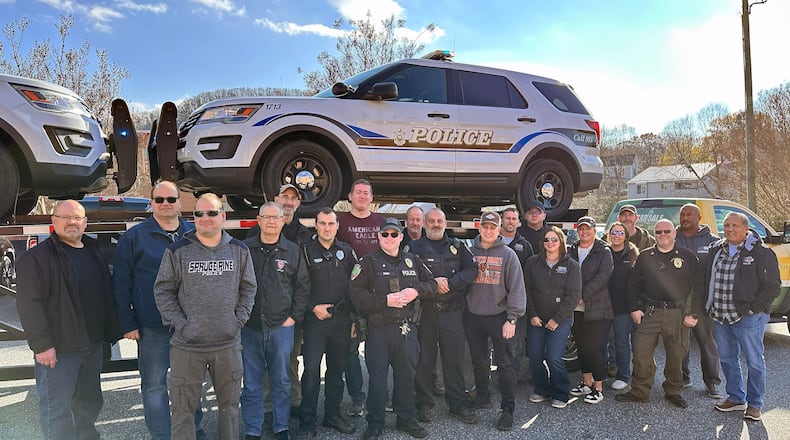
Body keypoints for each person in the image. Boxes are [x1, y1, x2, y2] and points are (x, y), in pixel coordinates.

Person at [154, 193, 256, 440]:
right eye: (199, 214)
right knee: (182, 410)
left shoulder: (239, 250)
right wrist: (181, 324)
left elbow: (249, 288)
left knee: (230, 408)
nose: (205, 218)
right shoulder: (177, 251)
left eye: (211, 213)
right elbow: (163, 290)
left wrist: (238, 321)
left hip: (227, 345)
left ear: (223, 216)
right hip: (187, 347)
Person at [16, 200, 119, 440]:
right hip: (59, 349)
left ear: (85, 223)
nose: (72, 222)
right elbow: (29, 305)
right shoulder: (37, 258)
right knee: (57, 410)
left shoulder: (93, 251)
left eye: (77, 218)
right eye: (65, 217)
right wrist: (42, 345)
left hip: (92, 345)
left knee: (90, 403)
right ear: (54, 222)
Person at [113, 181, 205, 440]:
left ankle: (193, 429)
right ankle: (161, 434)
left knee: (190, 383)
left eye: (171, 199)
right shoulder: (134, 237)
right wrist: (127, 323)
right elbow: (121, 282)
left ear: (179, 203)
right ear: (151, 203)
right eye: (160, 199)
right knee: (155, 386)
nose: (166, 204)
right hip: (152, 325)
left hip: (189, 326)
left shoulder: (194, 234)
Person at [350, 217, 437, 440]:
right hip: (379, 330)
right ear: (379, 236)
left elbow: (432, 285)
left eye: (394, 234)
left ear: (401, 236)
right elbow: (356, 295)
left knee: (406, 376)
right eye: (385, 234)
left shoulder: (413, 260)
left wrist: (417, 291)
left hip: (407, 329)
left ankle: (405, 419)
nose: (390, 238)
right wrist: (384, 301)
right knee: (378, 378)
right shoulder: (367, 263)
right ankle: (375, 422)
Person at [241, 202, 310, 440]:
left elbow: (303, 287)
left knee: (281, 380)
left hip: (281, 327)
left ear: (283, 221)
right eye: (266, 217)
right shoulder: (244, 249)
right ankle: (252, 428)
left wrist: (294, 317)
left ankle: (281, 427)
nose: (271, 222)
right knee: (251, 382)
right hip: (249, 328)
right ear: (258, 220)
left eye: (276, 217)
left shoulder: (292, 251)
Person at [703, 212, 780, 421]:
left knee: (754, 361)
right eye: (726, 225)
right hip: (720, 315)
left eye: (735, 225)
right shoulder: (716, 249)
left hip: (748, 317)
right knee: (727, 359)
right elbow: (707, 278)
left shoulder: (761, 253)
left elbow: (772, 286)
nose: (729, 229)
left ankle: (755, 404)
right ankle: (736, 398)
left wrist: (754, 309)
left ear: (746, 229)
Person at [615, 219, 699, 409]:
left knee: (676, 354)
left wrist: (693, 313)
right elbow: (633, 284)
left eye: (666, 231)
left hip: (678, 313)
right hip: (651, 312)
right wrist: (634, 308)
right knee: (640, 352)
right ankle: (640, 391)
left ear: (674, 233)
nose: (662, 235)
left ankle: (673, 391)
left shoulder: (688, 257)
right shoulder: (645, 256)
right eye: (659, 232)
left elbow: (698, 287)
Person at [409, 208, 479, 425]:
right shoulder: (413, 248)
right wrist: (432, 285)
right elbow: (408, 277)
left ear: (445, 222)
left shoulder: (458, 246)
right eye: (431, 221)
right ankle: (424, 405)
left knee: (454, 361)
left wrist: (452, 282)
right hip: (426, 313)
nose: (436, 224)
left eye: (439, 221)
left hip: (452, 314)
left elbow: (473, 270)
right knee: (424, 361)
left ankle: (457, 405)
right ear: (425, 224)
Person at [298, 208, 358, 438]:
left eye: (331, 223)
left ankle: (332, 415)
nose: (326, 227)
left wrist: (354, 319)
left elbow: (355, 286)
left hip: (341, 321)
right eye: (322, 223)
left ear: (337, 226)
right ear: (316, 225)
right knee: (311, 371)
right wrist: (312, 307)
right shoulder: (305, 252)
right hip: (315, 322)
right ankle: (307, 422)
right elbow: (298, 287)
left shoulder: (346, 251)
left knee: (336, 371)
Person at [464, 211, 526, 431]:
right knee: (479, 360)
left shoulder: (508, 255)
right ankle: (482, 396)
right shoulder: (469, 252)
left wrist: (512, 318)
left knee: (505, 364)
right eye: (485, 226)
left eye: (493, 227)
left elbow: (517, 288)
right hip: (473, 316)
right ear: (478, 227)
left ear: (499, 229)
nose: (489, 230)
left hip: (499, 317)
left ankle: (507, 409)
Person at [336, 179, 386, 416]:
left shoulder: (382, 222)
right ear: (350, 196)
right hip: (352, 297)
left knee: (382, 352)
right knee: (350, 351)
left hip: (379, 298)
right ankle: (358, 397)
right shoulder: (341, 221)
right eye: (358, 192)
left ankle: (383, 397)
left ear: (372, 197)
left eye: (367, 193)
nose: (363, 196)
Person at [525, 226, 581, 410]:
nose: (550, 243)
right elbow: (527, 291)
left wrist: (557, 319)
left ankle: (560, 392)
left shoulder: (571, 265)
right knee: (534, 356)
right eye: (547, 240)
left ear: (561, 242)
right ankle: (542, 389)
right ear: (542, 243)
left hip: (560, 319)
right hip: (537, 319)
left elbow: (573, 296)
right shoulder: (533, 262)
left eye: (554, 239)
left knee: (554, 357)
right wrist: (532, 314)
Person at [675, 203, 722, 398]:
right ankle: (682, 378)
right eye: (682, 214)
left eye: (689, 214)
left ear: (699, 218)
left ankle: (712, 382)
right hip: (676, 301)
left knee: (707, 343)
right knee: (679, 342)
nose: (685, 217)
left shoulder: (713, 242)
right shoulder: (672, 237)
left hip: (702, 302)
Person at [567, 216, 614, 404]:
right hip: (576, 308)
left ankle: (598, 387)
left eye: (588, 229)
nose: (584, 232)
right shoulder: (571, 250)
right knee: (582, 346)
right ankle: (586, 383)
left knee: (595, 347)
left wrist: (582, 294)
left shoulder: (604, 251)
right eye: (581, 229)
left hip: (597, 306)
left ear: (595, 231)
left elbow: (604, 277)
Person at [500, 207, 534, 382]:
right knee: (498, 342)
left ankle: (513, 379)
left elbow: (530, 275)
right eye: (508, 218)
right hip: (495, 302)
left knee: (516, 342)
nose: (511, 222)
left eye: (514, 219)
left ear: (518, 222)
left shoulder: (524, 245)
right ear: (502, 220)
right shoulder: (492, 241)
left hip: (517, 302)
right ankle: (500, 375)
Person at [605, 222, 640, 391]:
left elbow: (637, 281)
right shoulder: (604, 252)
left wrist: (636, 305)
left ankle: (624, 375)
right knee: (607, 340)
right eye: (614, 232)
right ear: (609, 234)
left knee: (621, 342)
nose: (616, 235)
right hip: (605, 304)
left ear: (626, 235)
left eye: (620, 232)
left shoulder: (632, 253)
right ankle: (611, 367)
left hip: (624, 306)